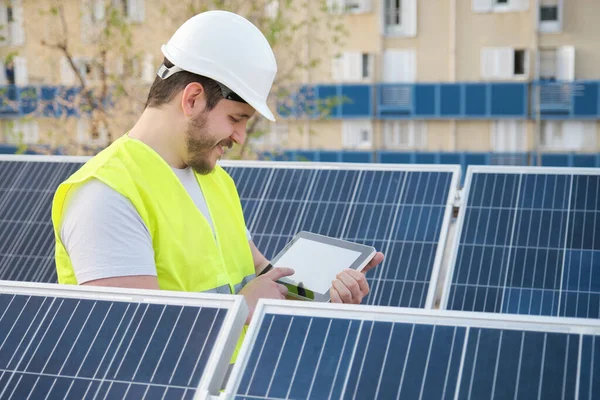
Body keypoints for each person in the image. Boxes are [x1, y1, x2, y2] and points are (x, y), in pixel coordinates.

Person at [51, 10, 384, 357]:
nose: (240, 136)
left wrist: (324, 291)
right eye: (235, 118)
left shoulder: (217, 181)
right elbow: (132, 342)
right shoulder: (106, 195)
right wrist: (240, 309)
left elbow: (260, 275)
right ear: (192, 99)